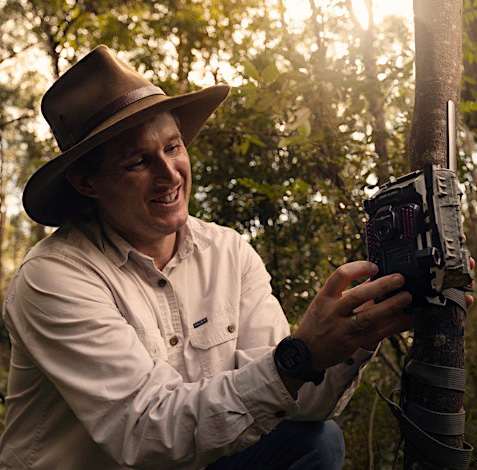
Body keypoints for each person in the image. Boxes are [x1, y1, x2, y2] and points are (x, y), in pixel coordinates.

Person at [0, 45, 457, 470]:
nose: (169, 174)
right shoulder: (53, 277)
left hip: (194, 458)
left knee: (317, 441)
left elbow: (296, 401)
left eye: (173, 146)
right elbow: (144, 432)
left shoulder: (228, 252)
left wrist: (354, 333)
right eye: (137, 162)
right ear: (86, 182)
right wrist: (297, 355)